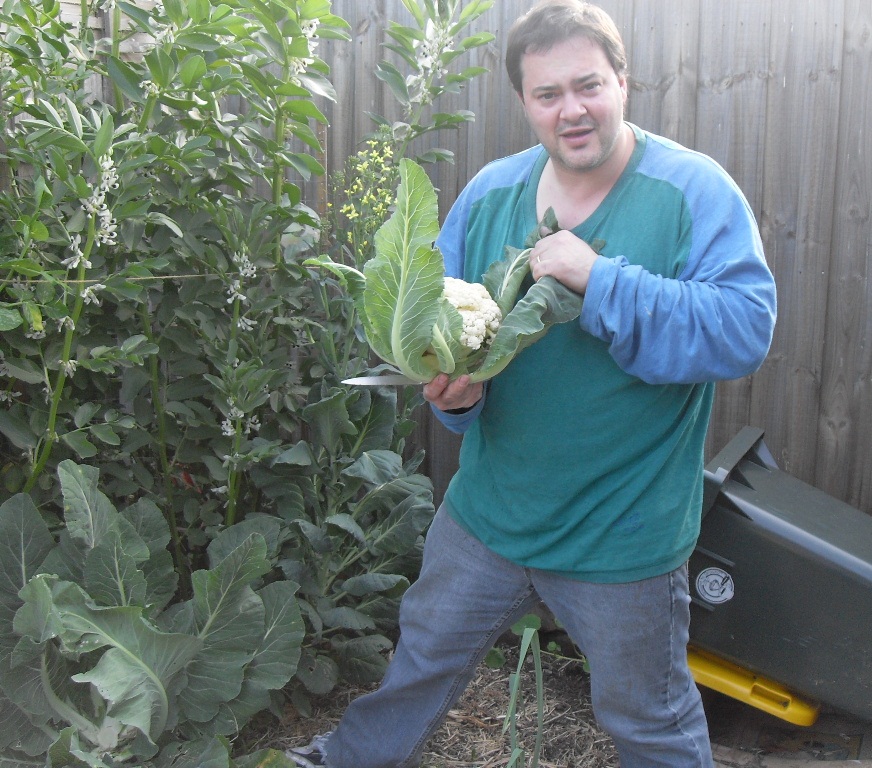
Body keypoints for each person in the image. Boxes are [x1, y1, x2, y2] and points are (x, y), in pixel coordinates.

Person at [297, 1, 776, 766]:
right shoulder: (491, 194)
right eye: (548, 93)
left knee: (648, 720)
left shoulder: (693, 192)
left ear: (622, 82)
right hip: (489, 518)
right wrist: (459, 396)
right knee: (416, 669)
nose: (571, 109)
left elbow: (744, 329)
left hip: (622, 535)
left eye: (588, 85)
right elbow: (446, 334)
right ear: (524, 101)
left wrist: (600, 279)